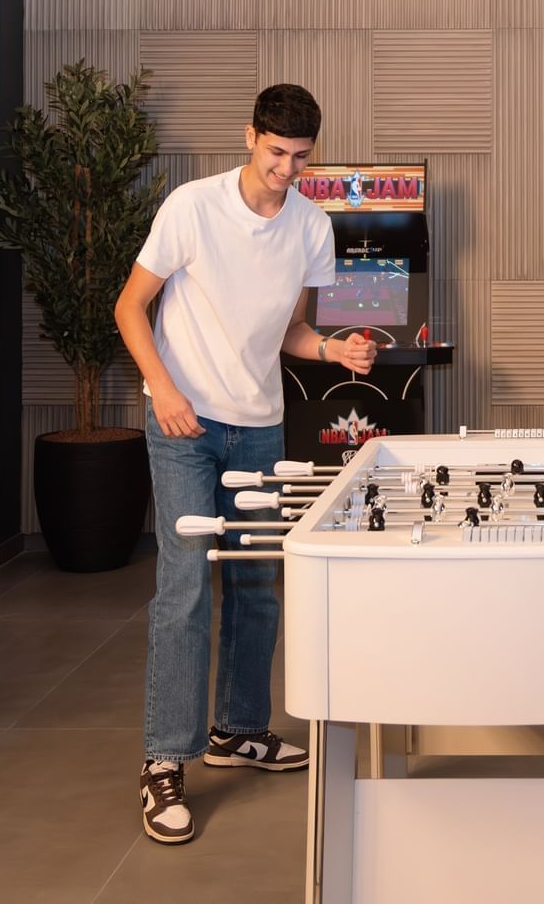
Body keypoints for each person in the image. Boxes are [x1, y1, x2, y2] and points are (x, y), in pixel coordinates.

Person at [114, 83, 378, 845]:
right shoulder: (191, 208)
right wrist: (162, 387)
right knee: (186, 585)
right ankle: (165, 758)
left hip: (260, 426)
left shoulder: (312, 227)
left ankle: (237, 729)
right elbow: (130, 307)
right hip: (185, 422)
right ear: (250, 137)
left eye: (300, 157)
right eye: (275, 152)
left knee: (259, 583)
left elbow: (290, 331)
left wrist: (333, 348)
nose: (286, 170)